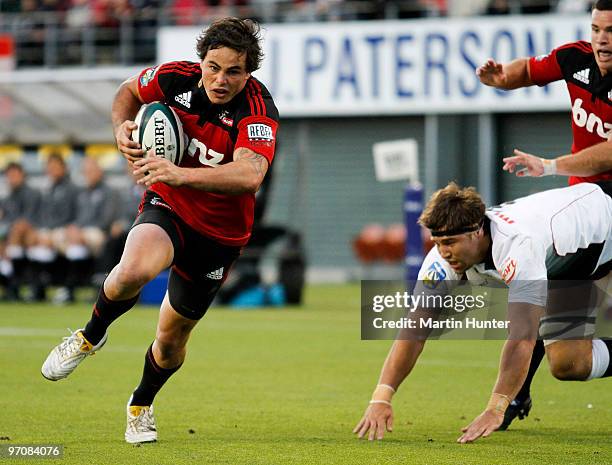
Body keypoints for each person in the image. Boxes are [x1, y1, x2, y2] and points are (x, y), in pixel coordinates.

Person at [41, 17, 279, 444]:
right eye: (212, 66)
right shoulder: (175, 78)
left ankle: (140, 404)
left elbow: (249, 175)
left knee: (170, 342)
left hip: (220, 237)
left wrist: (178, 173)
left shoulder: (258, 109)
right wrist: (120, 128)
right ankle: (88, 337)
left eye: (234, 71)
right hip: (168, 206)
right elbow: (127, 92)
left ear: (250, 72)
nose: (220, 79)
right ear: (200, 61)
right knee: (132, 270)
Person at [353, 182, 612, 443]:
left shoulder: (517, 246)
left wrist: (495, 408)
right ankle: (519, 394)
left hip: (604, 225)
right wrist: (381, 396)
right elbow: (414, 330)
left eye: (450, 242)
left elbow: (522, 336)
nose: (444, 252)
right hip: (568, 263)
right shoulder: (440, 260)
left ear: (477, 232)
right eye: (438, 242)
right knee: (569, 364)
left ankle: (515, 397)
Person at [475, 0, 612, 427]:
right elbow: (530, 71)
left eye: (611, 30)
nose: (603, 38)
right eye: (596, 28)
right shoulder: (576, 58)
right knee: (567, 359)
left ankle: (513, 396)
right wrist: (502, 80)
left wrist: (551, 166)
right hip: (584, 213)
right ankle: (518, 393)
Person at [53, 157, 118, 303]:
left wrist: (80, 232)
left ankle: (70, 287)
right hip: (80, 232)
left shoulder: (109, 192)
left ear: (99, 172)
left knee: (83, 240)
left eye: (91, 171)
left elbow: (107, 220)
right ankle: (63, 283)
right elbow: (75, 215)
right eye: (85, 172)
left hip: (99, 232)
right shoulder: (81, 192)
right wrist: (74, 228)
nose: (87, 175)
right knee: (57, 237)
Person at [0, 162, 41, 300]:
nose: (12, 178)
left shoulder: (32, 194)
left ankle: (19, 284)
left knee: (18, 234)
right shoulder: (7, 198)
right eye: (9, 176)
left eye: (14, 175)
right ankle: (11, 284)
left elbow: (29, 220)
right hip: (10, 236)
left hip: (31, 234)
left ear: (22, 175)